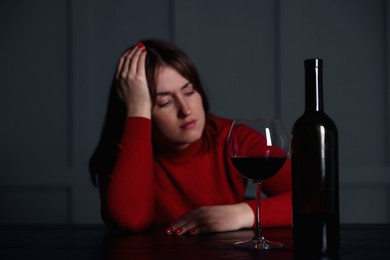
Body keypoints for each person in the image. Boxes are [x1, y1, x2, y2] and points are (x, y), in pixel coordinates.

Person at [89, 39, 292, 235]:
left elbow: (314, 196)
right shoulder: (125, 149)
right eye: (165, 102)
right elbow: (129, 220)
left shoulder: (233, 137)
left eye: (189, 91)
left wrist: (242, 214)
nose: (186, 110)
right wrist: (136, 108)